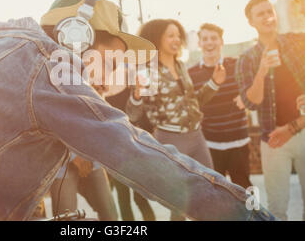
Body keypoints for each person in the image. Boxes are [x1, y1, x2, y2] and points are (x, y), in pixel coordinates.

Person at [0, 0, 275, 221]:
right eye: (114, 59)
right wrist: (249, 215)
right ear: (76, 36)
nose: (114, 78)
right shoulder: (50, 67)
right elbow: (141, 155)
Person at [125, 19, 225, 220]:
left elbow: (193, 102)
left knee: (211, 189)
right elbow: (133, 114)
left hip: (196, 136)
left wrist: (214, 83)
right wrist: (136, 94)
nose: (176, 40)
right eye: (170, 35)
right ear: (156, 39)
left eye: (178, 36)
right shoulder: (147, 70)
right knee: (181, 202)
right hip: (171, 139)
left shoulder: (180, 65)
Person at [236, 0, 305, 221]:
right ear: (251, 22)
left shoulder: (295, 42)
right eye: (260, 14)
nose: (267, 17)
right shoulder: (247, 58)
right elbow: (251, 102)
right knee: (277, 209)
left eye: (270, 11)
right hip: (273, 139)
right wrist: (261, 71)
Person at [188, 23, 252, 189]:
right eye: (205, 39)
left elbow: (255, 88)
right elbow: (192, 105)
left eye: (214, 38)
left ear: (221, 41)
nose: (209, 43)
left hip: (239, 141)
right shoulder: (191, 74)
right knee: (215, 193)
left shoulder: (237, 65)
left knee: (244, 191)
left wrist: (246, 96)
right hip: (210, 145)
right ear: (199, 43)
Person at [106, 87, 156, 221]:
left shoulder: (130, 88)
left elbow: (143, 116)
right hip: (116, 151)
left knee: (138, 198)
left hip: (134, 147)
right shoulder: (104, 93)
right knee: (125, 199)